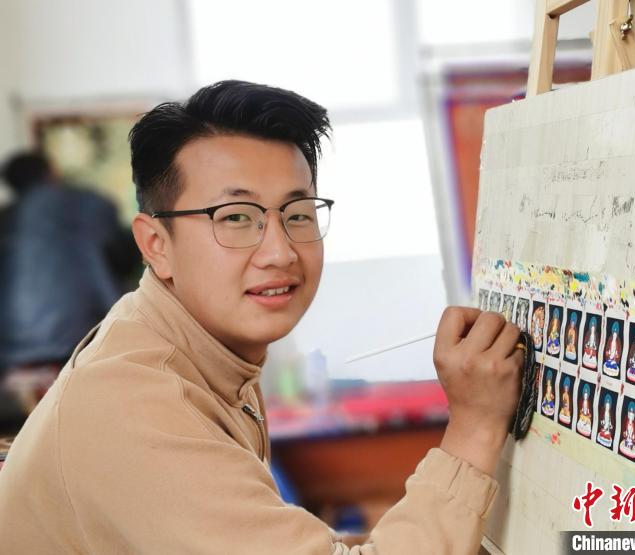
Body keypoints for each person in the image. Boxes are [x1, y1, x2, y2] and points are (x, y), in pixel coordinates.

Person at [0, 80, 524, 554]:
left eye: (298, 214)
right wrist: (475, 425)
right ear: (155, 244)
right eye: (235, 217)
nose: (280, 251)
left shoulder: (200, 347)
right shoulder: (134, 401)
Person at [0, 151, 138, 414]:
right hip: (85, 344)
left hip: (10, 363)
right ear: (51, 173)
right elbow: (127, 259)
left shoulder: (6, 220)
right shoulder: (91, 205)